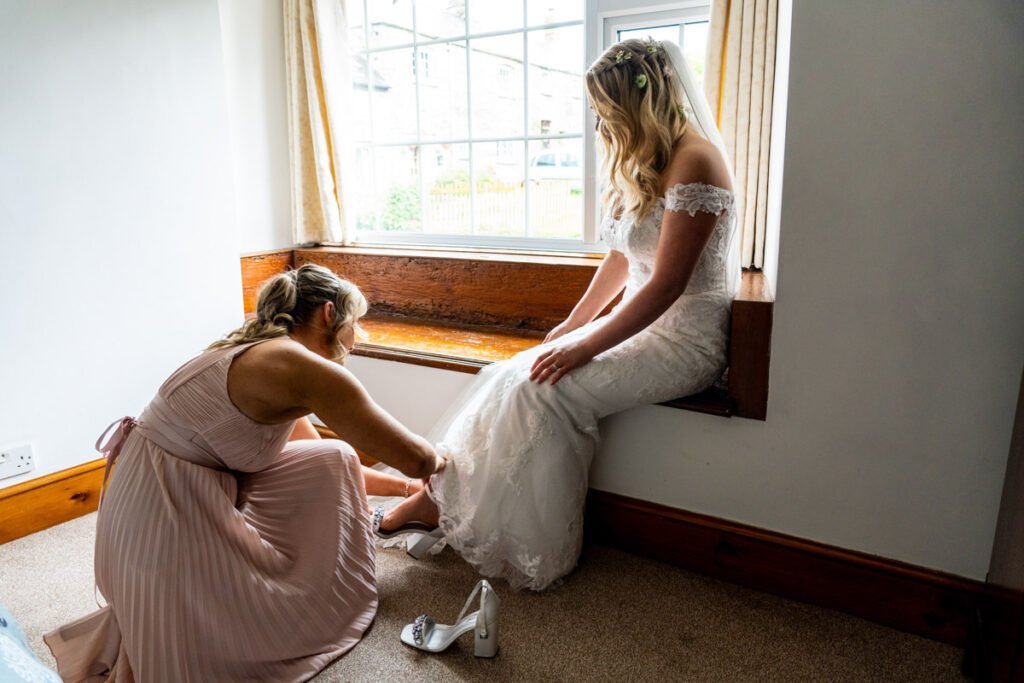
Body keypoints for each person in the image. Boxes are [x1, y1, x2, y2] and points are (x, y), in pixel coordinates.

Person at [378, 38, 739, 591]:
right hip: (639, 322)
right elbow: (620, 260)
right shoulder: (646, 158)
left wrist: (584, 346)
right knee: (509, 371)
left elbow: (665, 287)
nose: (599, 124)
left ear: (638, 104)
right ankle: (438, 498)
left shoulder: (696, 161)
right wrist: (573, 325)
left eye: (604, 111)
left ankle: (525, 545)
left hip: (684, 339)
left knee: (542, 389)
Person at [45, 264, 444, 682]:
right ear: (329, 314)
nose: (357, 339)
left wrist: (405, 488)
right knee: (245, 635)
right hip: (159, 527)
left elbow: (325, 456)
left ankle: (366, 533)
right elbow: (418, 457)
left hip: (140, 507)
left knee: (334, 455)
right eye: (356, 323)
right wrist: (444, 462)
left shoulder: (258, 353)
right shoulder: (301, 368)